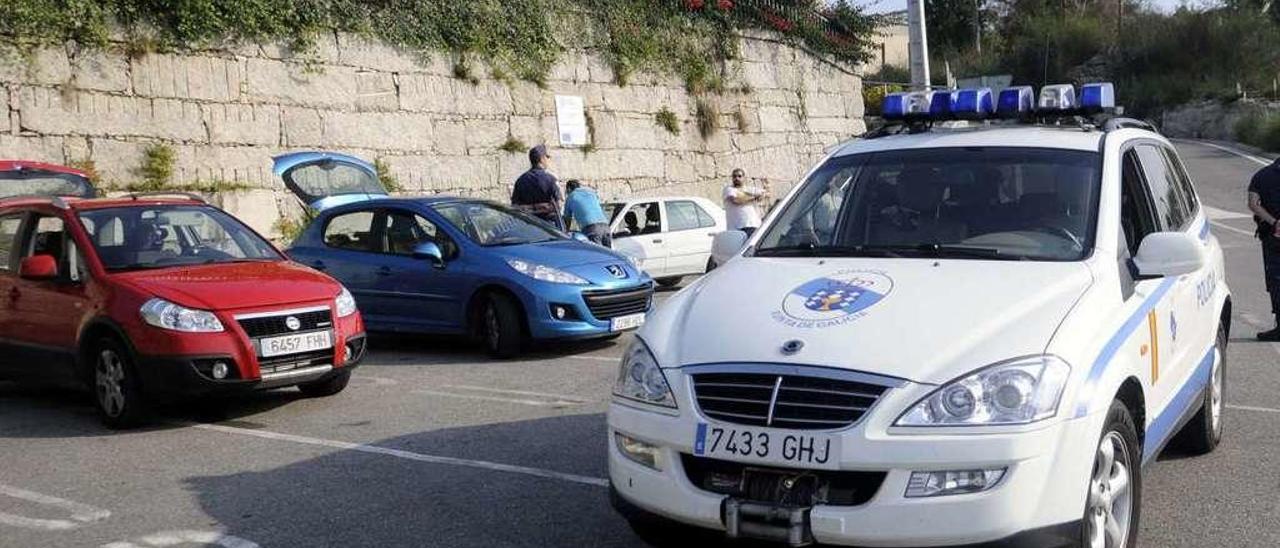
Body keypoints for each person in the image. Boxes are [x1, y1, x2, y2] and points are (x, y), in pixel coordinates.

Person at [1248, 158, 1280, 340]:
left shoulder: (1262, 175)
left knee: (1276, 281)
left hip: (1273, 237)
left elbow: (1253, 203)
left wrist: (1274, 222)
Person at [511, 145, 563, 229]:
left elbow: (514, 206)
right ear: (541, 159)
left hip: (529, 226)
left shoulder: (520, 181)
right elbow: (559, 204)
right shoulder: (551, 179)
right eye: (547, 157)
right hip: (549, 226)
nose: (548, 160)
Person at [563, 179, 611, 247]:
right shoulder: (591, 193)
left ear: (568, 188)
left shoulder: (571, 197)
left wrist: (565, 233)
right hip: (606, 226)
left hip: (591, 228)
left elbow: (567, 219)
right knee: (608, 254)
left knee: (597, 255)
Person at [722, 168, 770, 236]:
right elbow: (737, 200)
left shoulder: (749, 189)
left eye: (739, 176)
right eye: (734, 176)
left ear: (744, 178)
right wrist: (754, 197)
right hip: (736, 228)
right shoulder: (729, 189)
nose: (737, 178)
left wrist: (766, 185)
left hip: (753, 225)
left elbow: (766, 194)